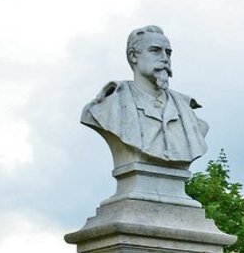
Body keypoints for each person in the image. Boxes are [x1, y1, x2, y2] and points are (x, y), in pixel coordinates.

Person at [81, 25, 208, 166]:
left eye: (168, 53)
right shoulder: (107, 108)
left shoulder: (189, 116)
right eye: (155, 51)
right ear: (133, 56)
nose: (165, 59)